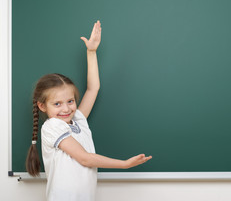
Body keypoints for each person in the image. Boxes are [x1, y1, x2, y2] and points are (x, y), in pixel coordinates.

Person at [25, 20, 152, 201]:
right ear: (42, 106)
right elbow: (85, 158)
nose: (66, 108)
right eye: (57, 104)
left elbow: (93, 89)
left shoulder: (78, 120)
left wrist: (91, 52)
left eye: (70, 101)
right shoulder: (52, 126)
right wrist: (124, 164)